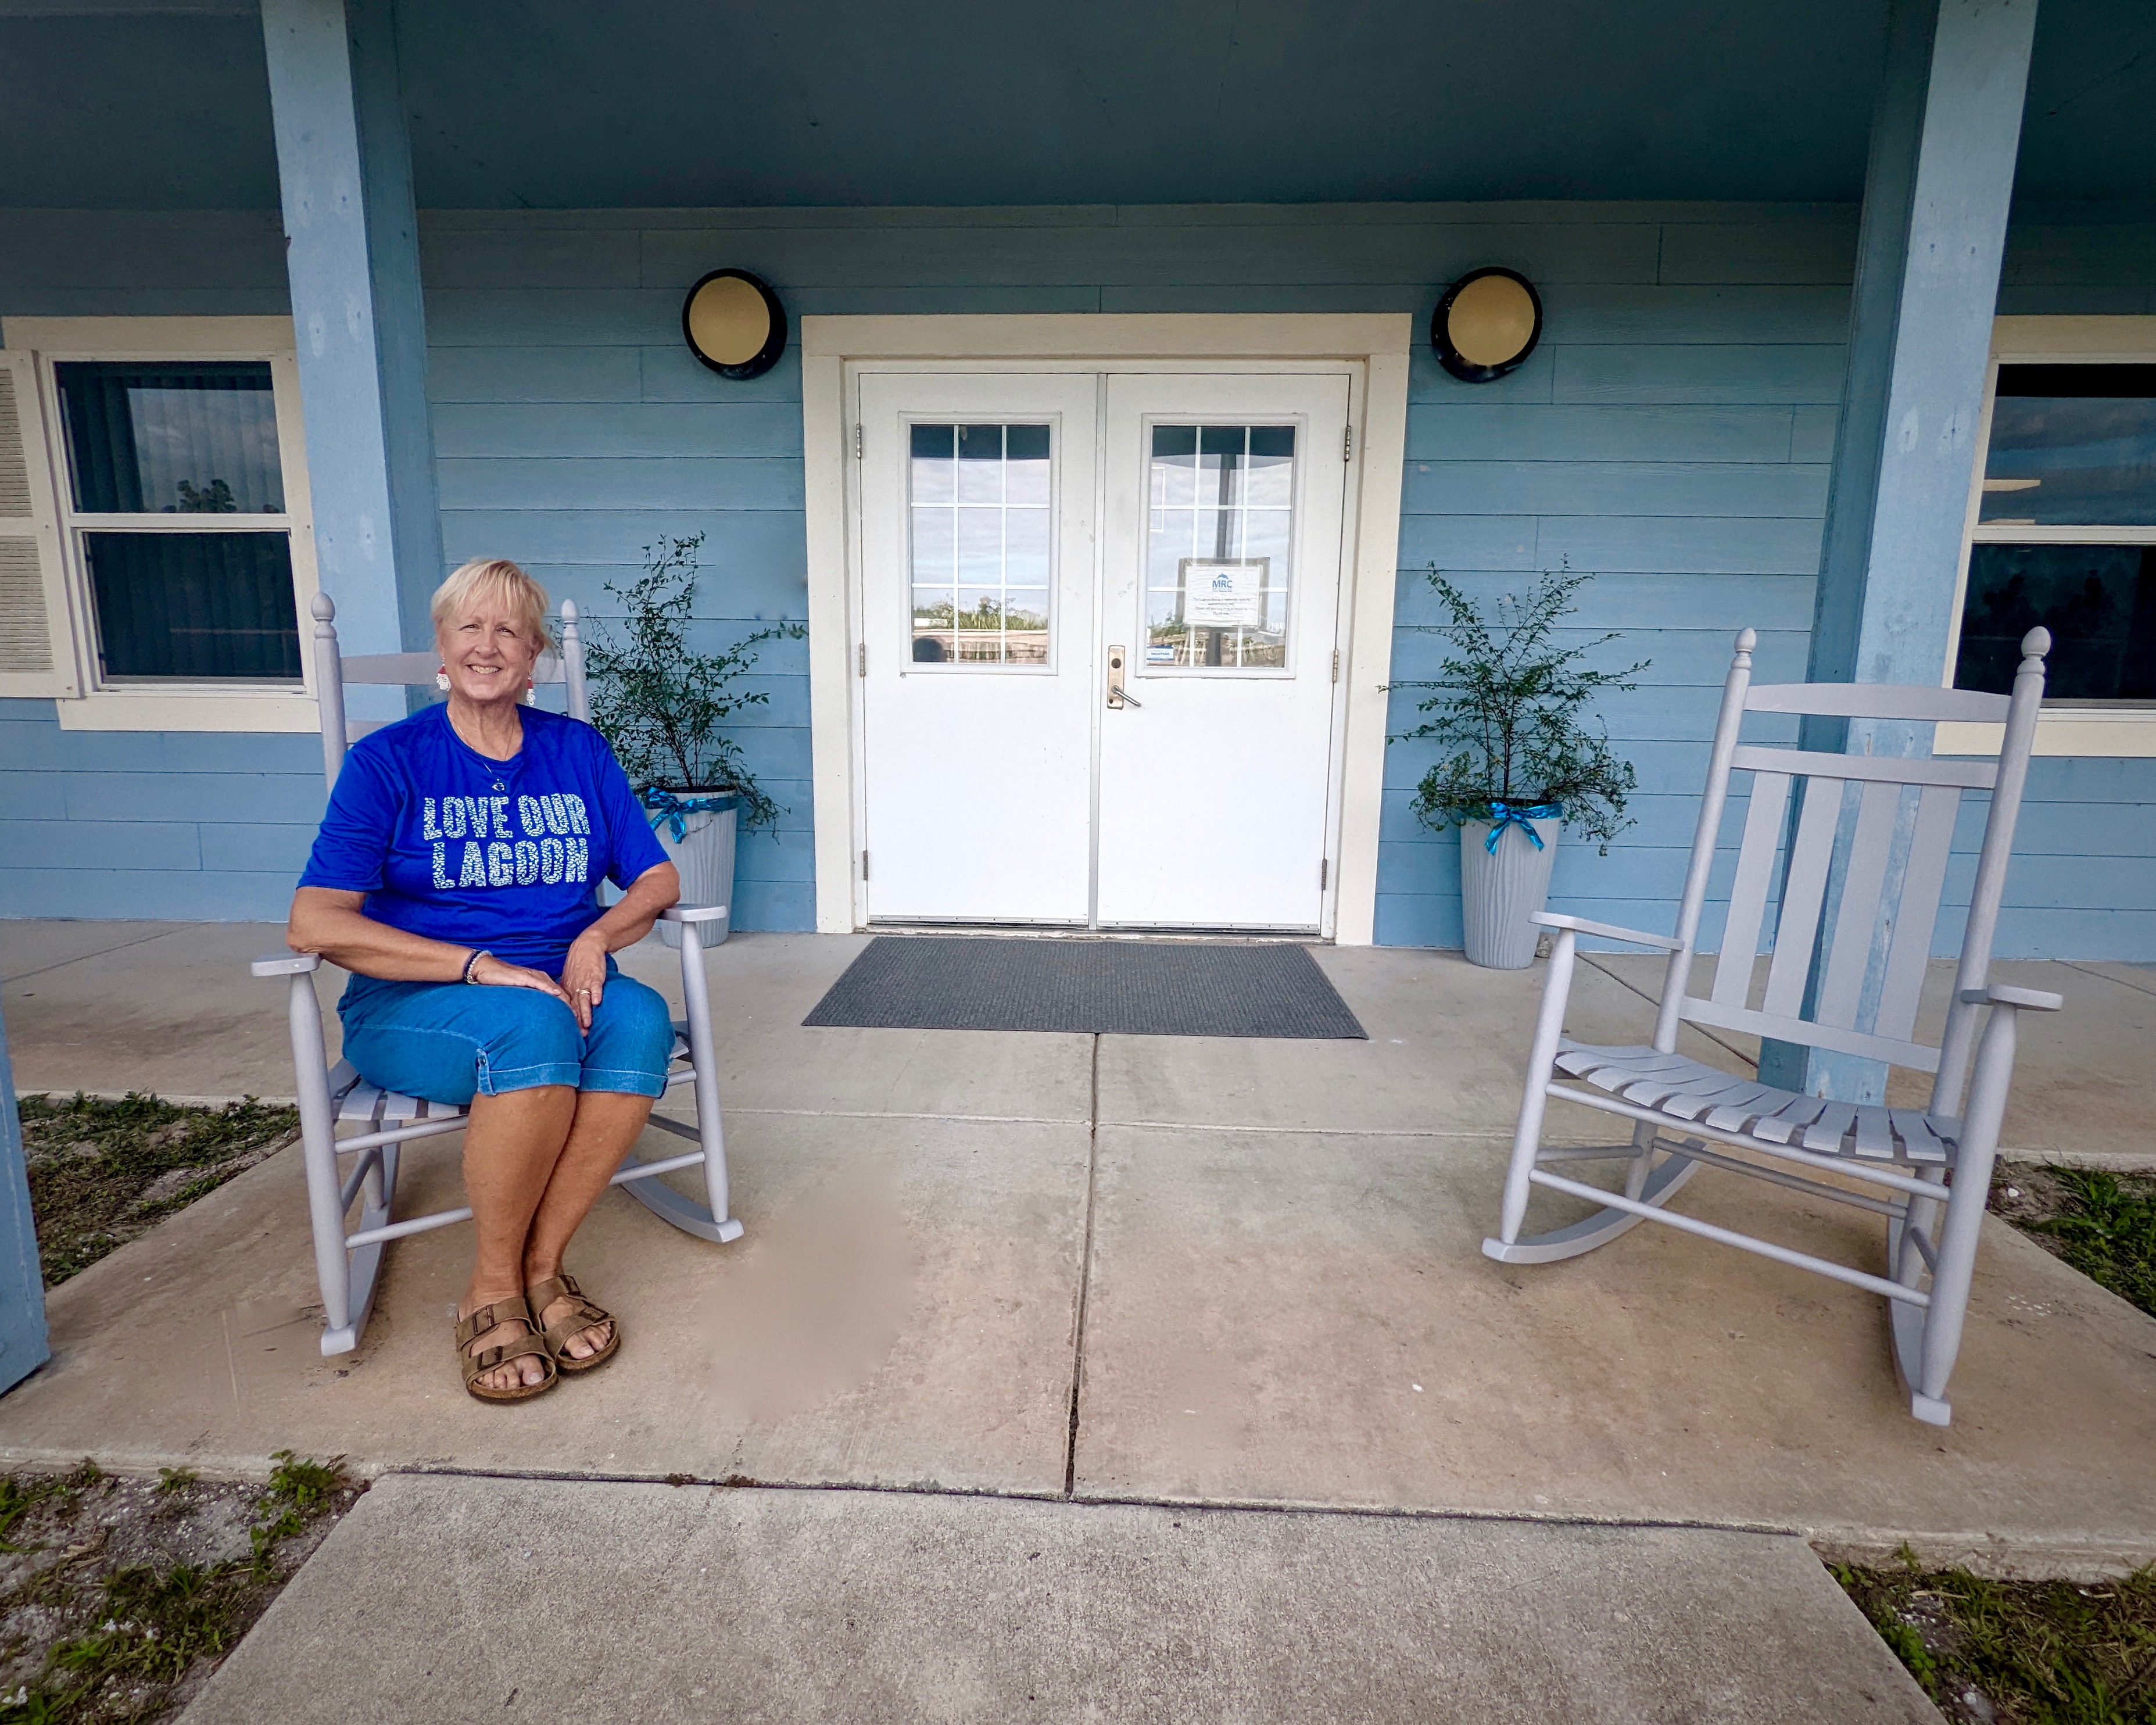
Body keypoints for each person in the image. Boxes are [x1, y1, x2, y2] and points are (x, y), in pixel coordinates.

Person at [287, 558, 679, 1403]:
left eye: (508, 630)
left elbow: (655, 880)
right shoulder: (388, 762)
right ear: (442, 645)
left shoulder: (576, 750)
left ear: (533, 656)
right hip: (416, 1001)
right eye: (470, 626)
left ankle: (544, 1270)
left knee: (639, 1018)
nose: (488, 645)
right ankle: (490, 1288)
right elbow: (316, 923)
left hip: (554, 981)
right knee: (531, 1029)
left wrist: (596, 936)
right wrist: (478, 966)